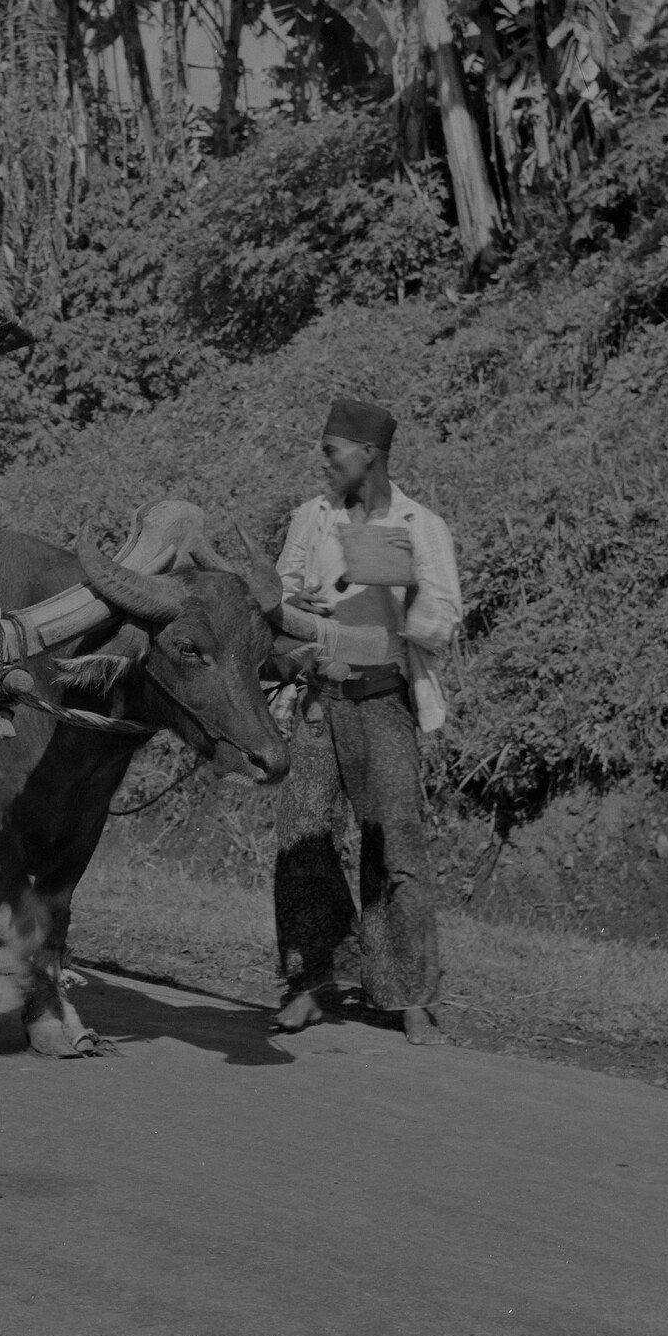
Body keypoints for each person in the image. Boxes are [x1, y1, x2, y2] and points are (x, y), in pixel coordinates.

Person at [270, 395, 462, 1044]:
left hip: (383, 702)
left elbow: (445, 621)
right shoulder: (311, 520)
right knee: (302, 836)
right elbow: (283, 591)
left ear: (367, 455)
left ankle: (408, 996)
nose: (323, 464)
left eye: (331, 452)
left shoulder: (420, 525)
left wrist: (401, 589)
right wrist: (300, 608)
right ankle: (312, 981)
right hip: (320, 701)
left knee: (394, 843)